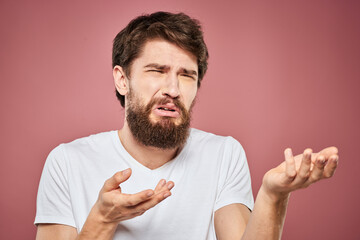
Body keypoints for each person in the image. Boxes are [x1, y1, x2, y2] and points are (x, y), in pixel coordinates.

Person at [35, 12, 339, 240]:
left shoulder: (224, 155)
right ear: (122, 79)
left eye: (187, 75)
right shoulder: (67, 162)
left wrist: (273, 196)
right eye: (157, 70)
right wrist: (101, 219)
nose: (173, 88)